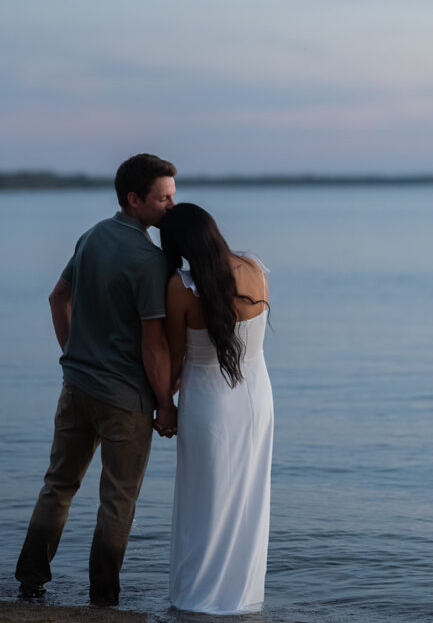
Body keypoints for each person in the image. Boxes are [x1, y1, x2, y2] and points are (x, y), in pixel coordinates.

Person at [15, 153, 178, 606]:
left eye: (172, 197)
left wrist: (73, 354)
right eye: (163, 199)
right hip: (125, 399)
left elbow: (58, 297)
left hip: (76, 386)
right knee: (118, 500)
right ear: (134, 199)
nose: (171, 206)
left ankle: (30, 582)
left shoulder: (91, 236)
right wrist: (166, 404)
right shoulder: (149, 260)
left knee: (58, 486)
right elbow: (153, 344)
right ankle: (104, 596)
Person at [160, 203, 273, 615]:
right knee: (249, 498)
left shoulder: (182, 287)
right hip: (257, 396)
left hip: (209, 401)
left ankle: (199, 598)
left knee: (204, 501)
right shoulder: (256, 268)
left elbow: (175, 357)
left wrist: (162, 401)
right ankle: (242, 597)